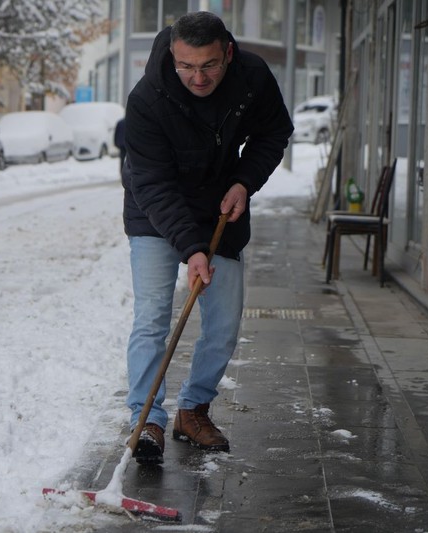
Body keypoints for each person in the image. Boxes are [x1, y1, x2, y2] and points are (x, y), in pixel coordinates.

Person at [122, 11, 293, 463]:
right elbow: (152, 184)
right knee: (153, 318)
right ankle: (148, 420)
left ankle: (193, 410)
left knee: (223, 323)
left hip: (222, 203)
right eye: (187, 67)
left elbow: (274, 132)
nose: (198, 78)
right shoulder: (147, 100)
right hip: (156, 210)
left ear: (228, 53)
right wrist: (191, 248)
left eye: (209, 66)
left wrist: (244, 181)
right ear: (173, 57)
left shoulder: (252, 76)